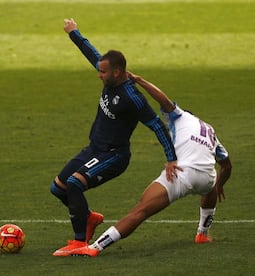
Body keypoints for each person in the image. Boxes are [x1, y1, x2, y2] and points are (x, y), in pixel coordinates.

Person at [51, 19, 182, 257]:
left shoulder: (132, 97)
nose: (98, 75)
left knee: (73, 184)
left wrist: (171, 158)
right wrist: (74, 32)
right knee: (58, 188)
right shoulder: (109, 75)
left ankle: (79, 242)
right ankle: (89, 218)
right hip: (94, 149)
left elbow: (157, 126)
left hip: (114, 155)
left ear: (117, 72)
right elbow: (92, 53)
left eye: (102, 71)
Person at [71, 72, 232, 257]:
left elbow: (164, 100)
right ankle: (202, 234)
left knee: (141, 210)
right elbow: (226, 165)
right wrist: (219, 185)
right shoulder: (210, 130)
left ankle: (94, 247)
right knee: (210, 187)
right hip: (206, 177)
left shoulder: (180, 117)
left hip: (181, 174)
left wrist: (139, 81)